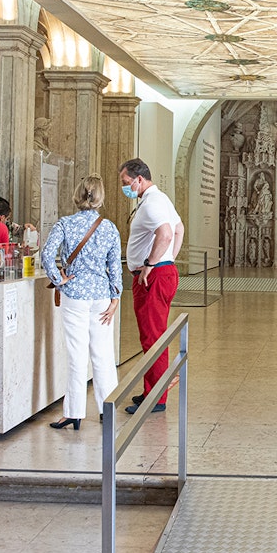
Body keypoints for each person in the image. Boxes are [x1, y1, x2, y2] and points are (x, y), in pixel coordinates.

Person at [40, 175, 122, 430]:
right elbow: (114, 266)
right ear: (100, 197)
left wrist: (58, 278)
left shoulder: (65, 224)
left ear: (77, 195)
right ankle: (107, 409)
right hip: (100, 296)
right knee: (103, 354)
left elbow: (46, 253)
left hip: (74, 294)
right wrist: (116, 296)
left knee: (77, 354)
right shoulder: (109, 227)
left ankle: (73, 412)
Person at [118, 158, 184, 415]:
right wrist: (169, 258)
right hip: (162, 271)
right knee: (153, 333)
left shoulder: (153, 203)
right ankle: (152, 390)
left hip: (153, 276)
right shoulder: (159, 199)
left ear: (139, 179)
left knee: (152, 337)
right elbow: (179, 229)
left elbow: (167, 233)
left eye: (126, 183)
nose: (125, 188)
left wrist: (151, 263)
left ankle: (156, 397)